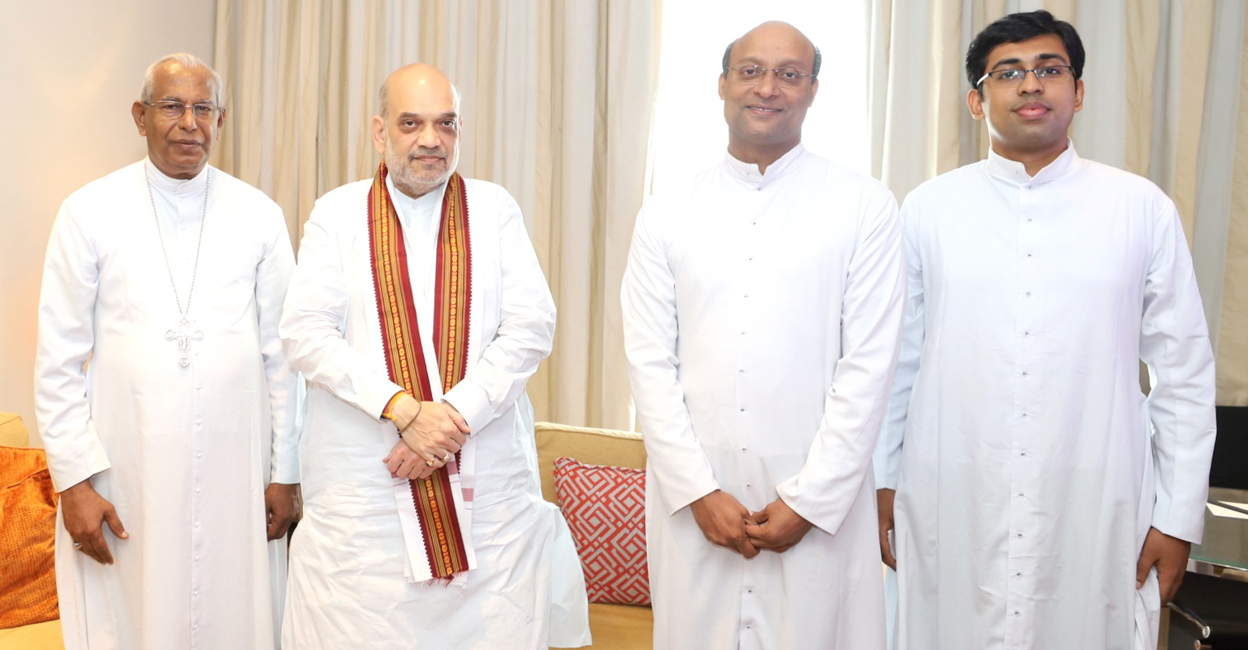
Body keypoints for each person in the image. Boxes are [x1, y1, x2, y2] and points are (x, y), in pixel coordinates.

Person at [874, 10, 1217, 650]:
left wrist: (1176, 519)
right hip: (953, 485)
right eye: (1008, 73)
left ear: (1079, 92)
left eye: (1049, 69)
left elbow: (1184, 372)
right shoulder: (929, 208)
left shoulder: (1139, 208)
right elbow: (899, 358)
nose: (1031, 85)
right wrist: (882, 479)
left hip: (1094, 491)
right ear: (977, 101)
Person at [278, 63, 590, 650]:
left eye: (445, 124)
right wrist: (401, 410)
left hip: (487, 498)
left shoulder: (494, 210)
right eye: (411, 123)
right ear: (379, 132)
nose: (431, 139)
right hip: (363, 502)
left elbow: (531, 325)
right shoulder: (337, 214)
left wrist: (449, 419)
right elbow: (305, 333)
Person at [622, 21, 904, 650]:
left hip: (820, 503)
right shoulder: (667, 209)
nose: (768, 88)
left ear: (812, 90)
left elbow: (869, 365)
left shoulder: (864, 205)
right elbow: (648, 362)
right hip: (698, 500)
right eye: (751, 71)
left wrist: (810, 501)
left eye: (789, 74)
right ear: (723, 83)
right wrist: (696, 489)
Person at [34, 52, 300, 650]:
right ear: (140, 116)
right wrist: (74, 482)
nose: (188, 122)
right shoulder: (88, 212)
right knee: (131, 618)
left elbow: (285, 356)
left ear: (220, 119)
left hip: (238, 470)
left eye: (203, 108)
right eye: (172, 106)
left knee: (237, 615)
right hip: (127, 471)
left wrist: (287, 473)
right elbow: (58, 360)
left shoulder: (259, 215)